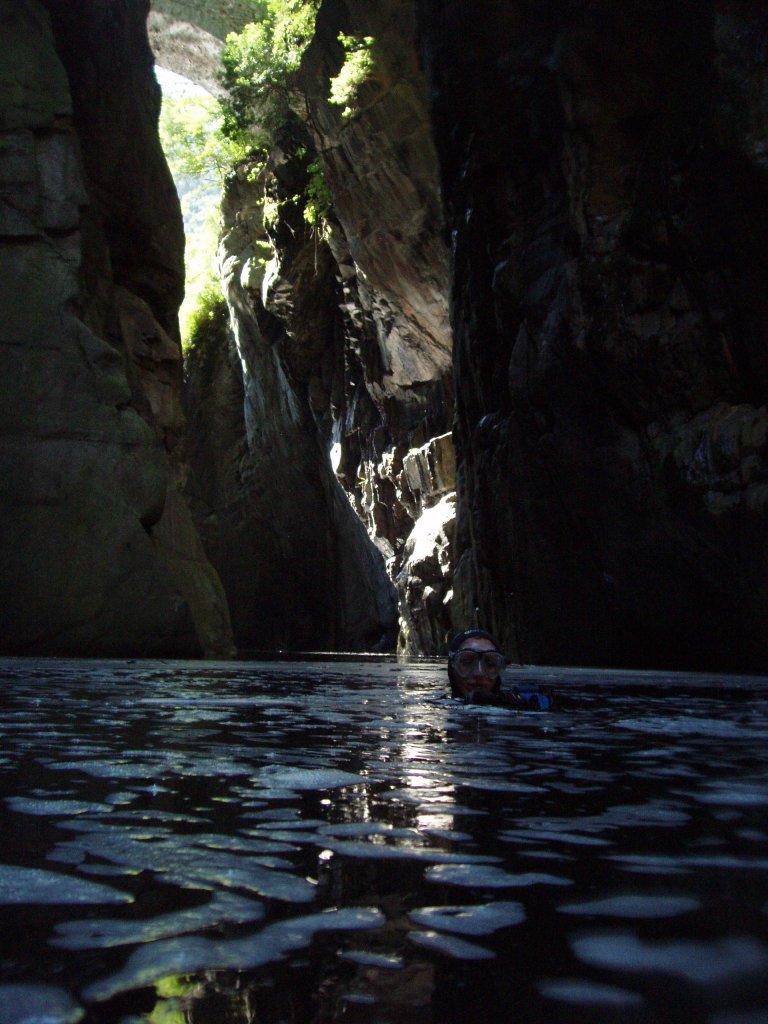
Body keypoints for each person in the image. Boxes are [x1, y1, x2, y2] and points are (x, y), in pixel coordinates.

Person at [447, 628, 553, 710]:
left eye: (490, 664)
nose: (479, 673)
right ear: (452, 667)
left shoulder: (524, 703)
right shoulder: (441, 707)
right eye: (466, 662)